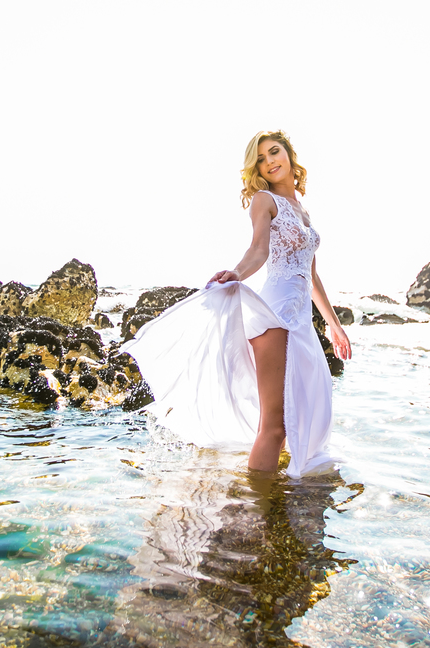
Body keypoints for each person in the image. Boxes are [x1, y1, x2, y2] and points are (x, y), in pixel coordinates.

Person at [123, 130, 352, 477]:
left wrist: (334, 326)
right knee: (274, 426)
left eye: (274, 152)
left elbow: (312, 277)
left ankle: (280, 504)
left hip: (302, 322)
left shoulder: (303, 211)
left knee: (295, 420)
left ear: (289, 154)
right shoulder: (265, 200)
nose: (270, 161)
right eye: (261, 158)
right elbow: (258, 249)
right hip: (274, 316)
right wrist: (237, 273)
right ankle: (259, 510)